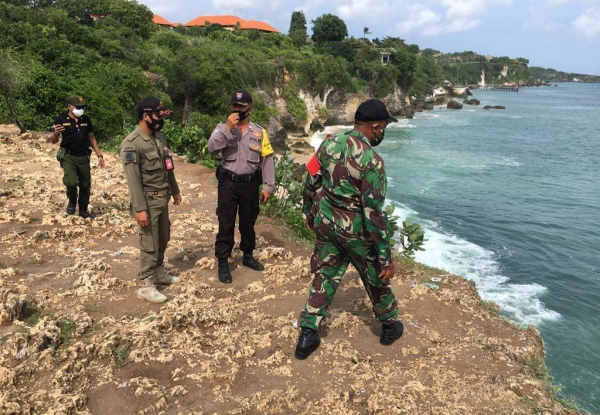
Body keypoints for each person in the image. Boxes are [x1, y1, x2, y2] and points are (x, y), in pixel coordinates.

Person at [295, 99, 404, 360]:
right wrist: (384, 257)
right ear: (375, 127)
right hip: (356, 231)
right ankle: (389, 325)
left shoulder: (328, 143)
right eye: (383, 127)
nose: (382, 132)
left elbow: (310, 180)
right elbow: (373, 214)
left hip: (327, 222)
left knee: (325, 275)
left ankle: (307, 334)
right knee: (375, 277)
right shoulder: (372, 162)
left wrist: (310, 213)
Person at [207, 90, 275, 284]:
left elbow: (267, 159)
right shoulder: (222, 128)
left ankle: (247, 255)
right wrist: (228, 128)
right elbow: (212, 148)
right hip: (228, 183)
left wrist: (268, 186)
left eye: (242, 107)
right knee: (225, 222)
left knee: (248, 222)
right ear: (231, 108)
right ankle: (222, 260)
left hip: (250, 184)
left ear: (250, 108)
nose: (238, 110)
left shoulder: (259, 132)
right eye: (235, 106)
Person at [120, 97, 182, 303]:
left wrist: (175, 190)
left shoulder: (159, 138)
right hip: (147, 201)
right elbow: (133, 180)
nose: (160, 119)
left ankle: (158, 272)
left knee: (163, 237)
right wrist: (140, 209)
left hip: (162, 198)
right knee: (149, 242)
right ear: (145, 116)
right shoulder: (132, 144)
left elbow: (168, 166)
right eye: (157, 114)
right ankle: (146, 283)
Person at [49, 95, 105, 218]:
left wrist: (99, 155)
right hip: (69, 156)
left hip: (84, 156)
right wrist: (55, 133)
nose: (81, 109)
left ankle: (83, 210)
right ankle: (72, 201)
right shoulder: (61, 119)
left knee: (85, 185)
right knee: (71, 182)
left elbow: (92, 138)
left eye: (82, 107)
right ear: (69, 106)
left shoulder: (85, 119)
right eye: (78, 107)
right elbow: (53, 140)